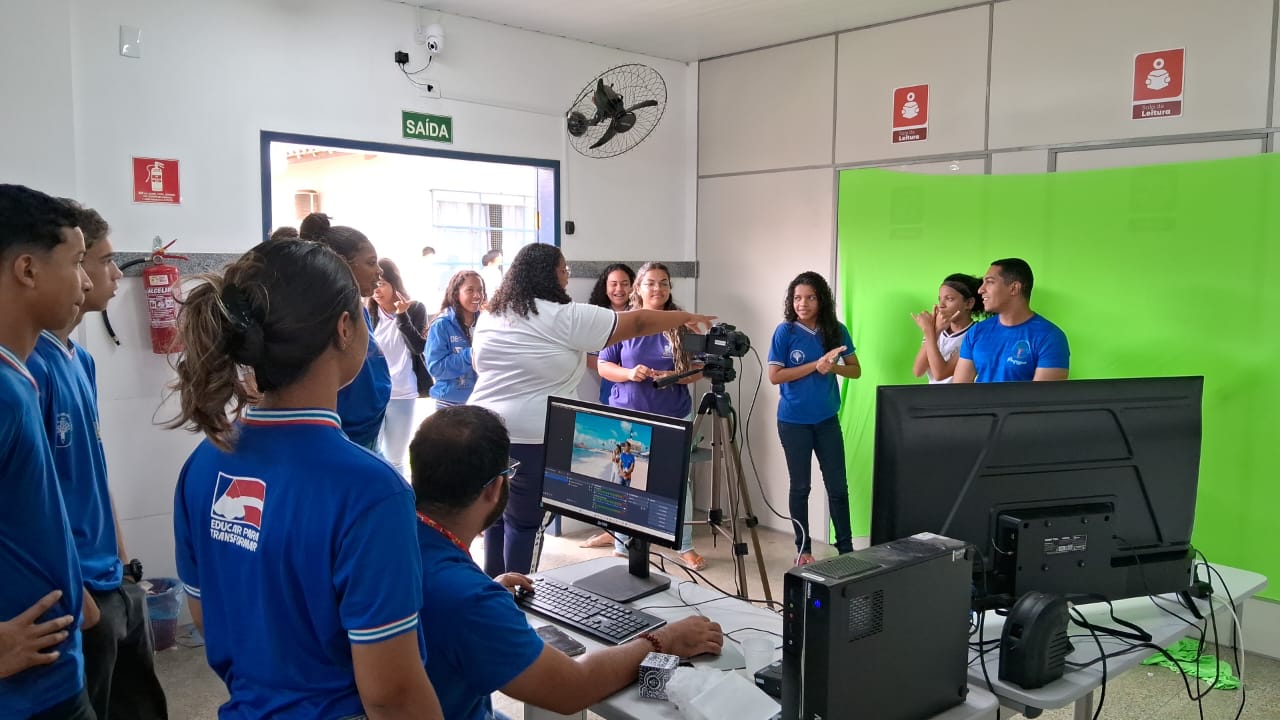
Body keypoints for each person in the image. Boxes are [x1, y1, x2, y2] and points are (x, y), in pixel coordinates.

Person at [168, 239, 443, 719]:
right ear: (343, 328)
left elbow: (207, 617)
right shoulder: (369, 490)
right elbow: (392, 695)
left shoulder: (205, 462)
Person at [410, 405, 723, 720]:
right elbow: (571, 689)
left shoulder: (395, 541)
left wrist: (488, 597)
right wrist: (666, 640)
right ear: (495, 488)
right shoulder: (468, 599)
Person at [469, 244, 715, 577]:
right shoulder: (561, 316)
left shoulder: (492, 313)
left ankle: (492, 594)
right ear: (548, 274)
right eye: (563, 270)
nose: (567, 276)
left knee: (493, 517)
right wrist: (685, 316)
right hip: (533, 434)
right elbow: (639, 321)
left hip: (483, 430)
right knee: (526, 523)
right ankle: (514, 604)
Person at [28, 200, 167, 719]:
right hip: (77, 591)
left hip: (112, 578)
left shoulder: (79, 359)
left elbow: (93, 471)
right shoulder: (27, 369)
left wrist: (126, 567)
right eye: (99, 258)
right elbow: (39, 500)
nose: (111, 274)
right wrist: (78, 591)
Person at [0, 184, 97, 719]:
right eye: (78, 261)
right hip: (22, 696)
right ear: (28, 270)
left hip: (51, 675)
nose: (85, 281)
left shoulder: (19, 377)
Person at [597, 261, 706, 570]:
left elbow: (699, 368)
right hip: (629, 416)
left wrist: (677, 375)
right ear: (638, 288)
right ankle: (622, 541)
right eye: (651, 283)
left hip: (673, 415)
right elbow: (605, 366)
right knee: (626, 477)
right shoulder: (622, 323)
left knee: (678, 482)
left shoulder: (682, 325)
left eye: (664, 283)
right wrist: (630, 373)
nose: (658, 288)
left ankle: (684, 546)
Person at [768, 271, 859, 566]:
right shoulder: (786, 332)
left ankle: (846, 549)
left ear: (822, 300)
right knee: (801, 486)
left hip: (827, 420)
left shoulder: (837, 330)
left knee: (837, 486)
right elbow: (775, 376)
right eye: (797, 298)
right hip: (793, 422)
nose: (802, 303)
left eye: (809, 297)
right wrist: (814, 366)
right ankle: (803, 548)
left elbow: (855, 370)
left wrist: (833, 368)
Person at [299, 213, 392, 451]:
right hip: (344, 435)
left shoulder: (358, 308)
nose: (379, 271)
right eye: (371, 263)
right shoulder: (327, 317)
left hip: (369, 430)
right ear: (342, 263)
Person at [953, 258, 1069, 383]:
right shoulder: (976, 332)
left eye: (990, 282)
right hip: (979, 403)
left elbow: (1042, 398)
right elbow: (960, 390)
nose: (980, 290)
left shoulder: (1050, 337)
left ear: (1014, 288)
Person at [369, 258, 431, 476]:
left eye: (382, 283)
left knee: (395, 459)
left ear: (394, 283)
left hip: (403, 392)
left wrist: (402, 315)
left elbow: (418, 347)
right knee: (371, 453)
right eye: (374, 284)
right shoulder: (368, 313)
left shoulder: (414, 308)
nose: (377, 290)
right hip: (374, 392)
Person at [911, 273, 985, 384]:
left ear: (969, 303)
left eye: (949, 299)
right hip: (932, 398)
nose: (941, 305)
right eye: (940, 299)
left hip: (957, 398)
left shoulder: (975, 334)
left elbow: (940, 374)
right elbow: (918, 371)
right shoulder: (935, 331)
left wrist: (930, 331)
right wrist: (935, 331)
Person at [426, 270, 483, 407]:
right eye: (470, 290)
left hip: (481, 401)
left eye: (480, 290)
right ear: (456, 293)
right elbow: (436, 368)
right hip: (449, 405)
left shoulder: (486, 322)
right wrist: (471, 354)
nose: (477, 295)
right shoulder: (441, 325)